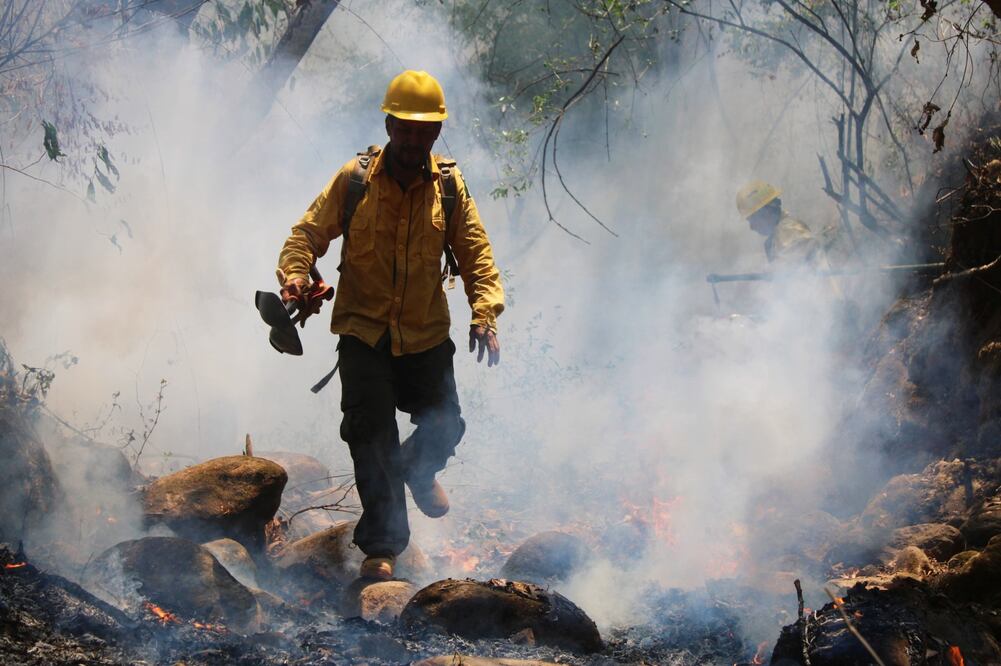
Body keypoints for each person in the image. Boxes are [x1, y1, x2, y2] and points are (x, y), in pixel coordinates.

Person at [275, 70, 505, 580]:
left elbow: (477, 258)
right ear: (388, 124)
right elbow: (306, 235)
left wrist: (484, 314)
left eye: (425, 131)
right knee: (370, 433)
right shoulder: (354, 180)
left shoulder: (449, 187)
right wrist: (295, 275)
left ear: (437, 133)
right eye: (405, 128)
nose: (414, 139)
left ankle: (415, 470)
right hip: (364, 335)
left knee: (447, 424)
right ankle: (382, 548)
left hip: (424, 335)